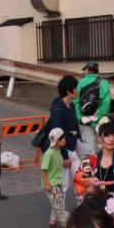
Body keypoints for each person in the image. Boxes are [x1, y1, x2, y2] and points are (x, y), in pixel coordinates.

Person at [48, 74, 80, 204]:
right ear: (69, 91)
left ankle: (83, 215)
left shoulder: (71, 106)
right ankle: (55, 217)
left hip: (72, 149)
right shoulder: (58, 110)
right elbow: (57, 135)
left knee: (82, 181)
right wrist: (64, 156)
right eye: (76, 88)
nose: (78, 91)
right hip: (61, 153)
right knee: (62, 187)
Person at [75, 62, 112, 155]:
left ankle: (88, 166)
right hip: (98, 121)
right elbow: (106, 103)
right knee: (102, 146)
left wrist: (79, 117)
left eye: (84, 70)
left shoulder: (80, 83)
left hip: (84, 120)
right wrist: (99, 117)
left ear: (87, 70)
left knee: (87, 147)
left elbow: (75, 101)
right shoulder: (104, 83)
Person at [40, 127, 70, 228]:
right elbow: (43, 170)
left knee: (57, 204)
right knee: (58, 205)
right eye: (63, 139)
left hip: (57, 183)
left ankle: (52, 224)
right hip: (53, 185)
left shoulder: (57, 151)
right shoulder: (49, 153)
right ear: (57, 141)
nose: (65, 140)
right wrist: (47, 183)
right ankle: (66, 224)